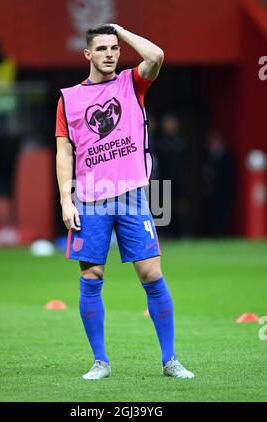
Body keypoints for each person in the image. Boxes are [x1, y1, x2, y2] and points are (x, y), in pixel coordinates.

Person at [56, 24, 194, 380]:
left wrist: (119, 29)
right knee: (91, 276)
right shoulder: (69, 99)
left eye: (114, 48)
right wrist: (65, 200)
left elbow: (157, 56)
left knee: (152, 274)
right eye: (101, 48)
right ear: (87, 54)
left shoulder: (132, 83)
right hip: (90, 200)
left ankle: (170, 360)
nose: (110, 54)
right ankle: (100, 361)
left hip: (132, 195)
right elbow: (64, 152)